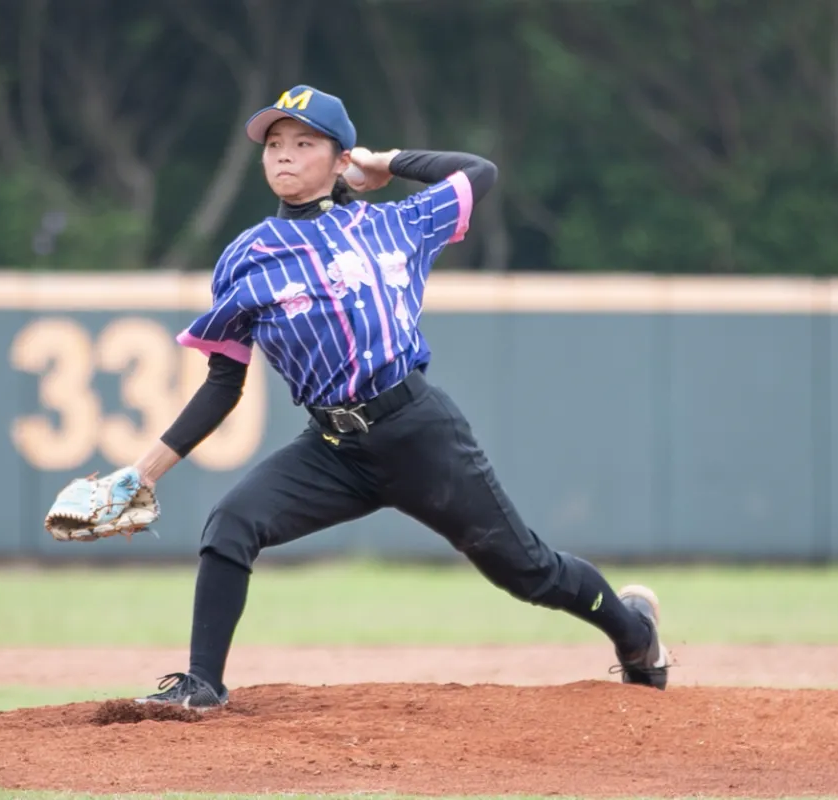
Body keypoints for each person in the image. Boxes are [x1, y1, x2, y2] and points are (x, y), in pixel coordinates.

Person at [126, 84, 672, 710]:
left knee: (529, 572)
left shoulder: (392, 224)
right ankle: (202, 685)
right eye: (274, 144)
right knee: (230, 524)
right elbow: (224, 383)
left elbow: (479, 173)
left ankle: (636, 635)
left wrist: (385, 162)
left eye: (304, 143)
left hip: (417, 431)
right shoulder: (245, 257)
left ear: (340, 159)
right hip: (332, 449)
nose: (284, 155)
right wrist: (145, 474)